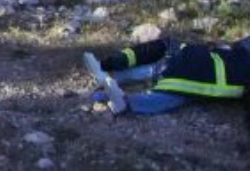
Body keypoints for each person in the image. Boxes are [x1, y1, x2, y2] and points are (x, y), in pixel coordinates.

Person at [83, 35, 250, 116]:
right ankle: (118, 100)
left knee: (154, 70)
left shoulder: (241, 49)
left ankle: (109, 77)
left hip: (189, 54)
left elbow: (237, 46)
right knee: (160, 100)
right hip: (196, 79)